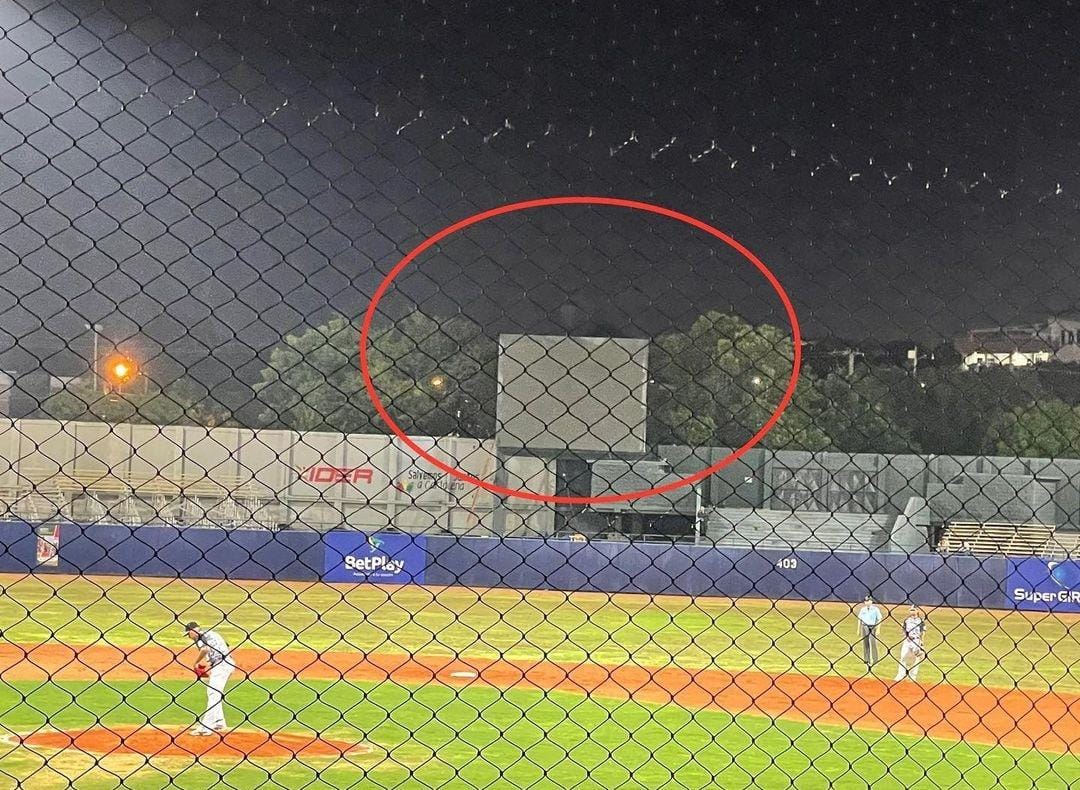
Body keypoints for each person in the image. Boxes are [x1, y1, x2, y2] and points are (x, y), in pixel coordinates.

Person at [183, 621, 235, 735]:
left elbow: (205, 649)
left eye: (188, 634)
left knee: (213, 695)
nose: (189, 637)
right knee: (214, 694)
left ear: (193, 631)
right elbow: (226, 645)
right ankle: (219, 723)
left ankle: (206, 728)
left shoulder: (199, 637)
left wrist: (196, 663)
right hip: (227, 663)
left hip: (221, 665)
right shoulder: (212, 633)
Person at [894, 604, 927, 681]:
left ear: (917, 611)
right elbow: (903, 630)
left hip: (916, 641)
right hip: (907, 641)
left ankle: (912, 677)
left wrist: (922, 643)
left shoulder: (921, 621)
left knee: (915, 659)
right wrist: (906, 636)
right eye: (911, 610)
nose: (912, 611)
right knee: (903, 657)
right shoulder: (907, 620)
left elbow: (922, 632)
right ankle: (900, 675)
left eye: (913, 610)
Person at [855, 594, 882, 671]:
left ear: (871, 601)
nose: (867, 602)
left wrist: (878, 629)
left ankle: (875, 660)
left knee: (873, 643)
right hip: (864, 626)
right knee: (865, 643)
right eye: (866, 601)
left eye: (869, 601)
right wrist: (858, 629)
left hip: (872, 627)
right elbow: (859, 619)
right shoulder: (863, 609)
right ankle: (866, 659)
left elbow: (879, 619)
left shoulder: (875, 609)